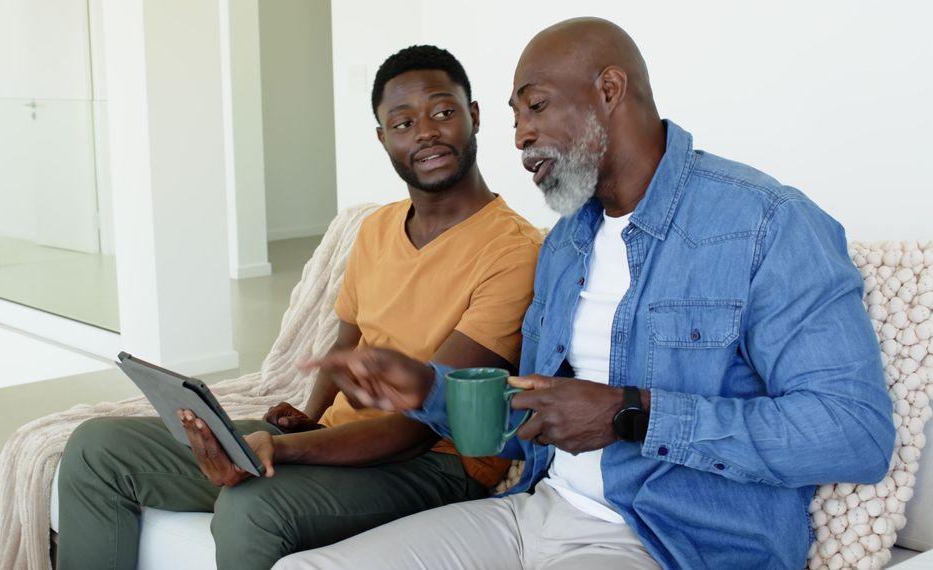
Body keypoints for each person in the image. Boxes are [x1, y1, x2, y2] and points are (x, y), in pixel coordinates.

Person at [280, 17, 895, 570]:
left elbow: (854, 433)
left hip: (672, 541)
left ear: (608, 90)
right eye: (516, 115)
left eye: (536, 107)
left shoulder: (766, 223)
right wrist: (423, 390)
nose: (519, 135)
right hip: (534, 512)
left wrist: (628, 413)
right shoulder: (566, 244)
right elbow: (527, 419)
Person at [55, 45, 543, 570]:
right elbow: (347, 340)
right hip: (339, 440)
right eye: (402, 122)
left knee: (252, 505)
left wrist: (282, 449)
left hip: (436, 463)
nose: (424, 132)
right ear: (383, 139)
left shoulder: (512, 252)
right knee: (95, 449)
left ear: (474, 117)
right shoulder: (378, 227)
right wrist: (307, 419)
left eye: (442, 112)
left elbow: (424, 422)